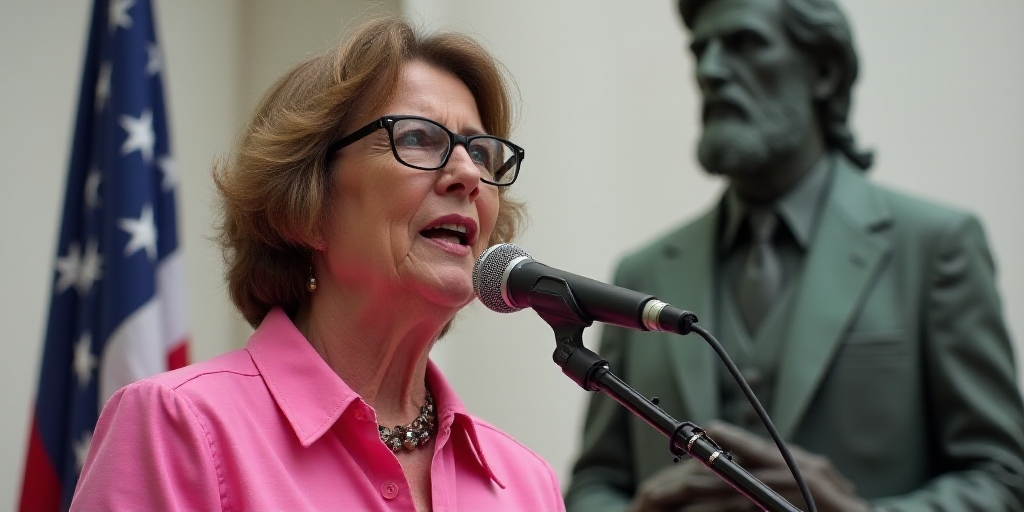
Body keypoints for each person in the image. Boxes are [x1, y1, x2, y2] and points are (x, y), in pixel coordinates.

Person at [70, 16, 565, 511]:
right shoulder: (180, 427)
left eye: (481, 152)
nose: (467, 174)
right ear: (306, 206)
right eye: (417, 138)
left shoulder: (525, 484)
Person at [565, 0, 1024, 511]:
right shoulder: (642, 273)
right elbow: (595, 483)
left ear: (823, 72)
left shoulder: (937, 247)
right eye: (701, 51)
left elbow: (1002, 479)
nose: (711, 70)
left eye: (743, 44)